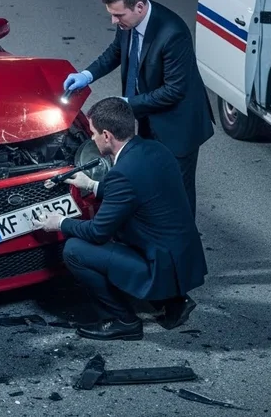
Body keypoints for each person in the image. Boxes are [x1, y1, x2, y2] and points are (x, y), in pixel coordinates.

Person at [33, 97, 208, 341]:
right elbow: (140, 190)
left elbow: (97, 232)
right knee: (123, 226)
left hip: (159, 266)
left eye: (93, 134)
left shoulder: (123, 173)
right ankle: (174, 300)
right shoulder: (156, 149)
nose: (91, 139)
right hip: (181, 260)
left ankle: (122, 321)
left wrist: (59, 222)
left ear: (107, 136)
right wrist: (92, 185)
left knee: (74, 249)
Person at [63, 0, 215, 217]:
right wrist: (87, 74)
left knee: (178, 194)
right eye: (111, 14)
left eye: (119, 15)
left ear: (140, 7)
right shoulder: (128, 24)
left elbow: (175, 90)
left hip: (177, 126)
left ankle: (183, 246)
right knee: (151, 183)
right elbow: (115, 52)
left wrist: (127, 104)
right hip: (146, 115)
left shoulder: (173, 33)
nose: (114, 20)